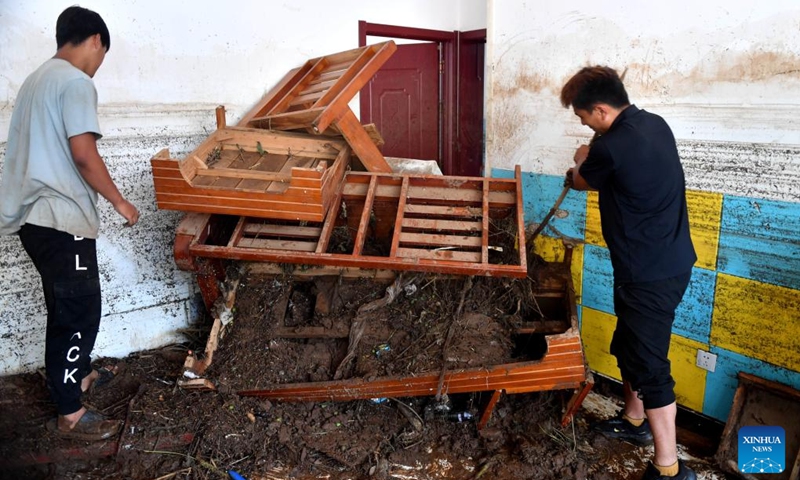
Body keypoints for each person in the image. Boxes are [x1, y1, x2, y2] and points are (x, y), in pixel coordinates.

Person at [0, 6, 139, 441]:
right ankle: (71, 413)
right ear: (96, 40)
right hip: (61, 219)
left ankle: (74, 378)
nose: (98, 66)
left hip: (32, 221)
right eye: (103, 54)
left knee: (66, 307)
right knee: (78, 312)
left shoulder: (36, 79)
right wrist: (119, 201)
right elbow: (83, 154)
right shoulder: (76, 82)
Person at [560, 66, 697, 480]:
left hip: (647, 274)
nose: (581, 123)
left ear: (600, 110)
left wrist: (579, 159)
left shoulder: (608, 150)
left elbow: (582, 180)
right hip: (667, 261)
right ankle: (634, 420)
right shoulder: (656, 124)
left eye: (582, 116)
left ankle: (669, 468)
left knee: (651, 365)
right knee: (629, 344)